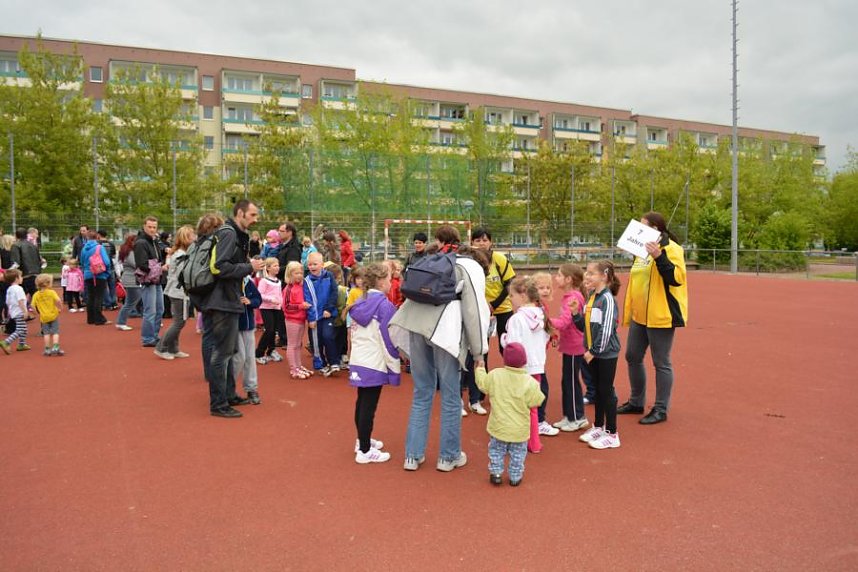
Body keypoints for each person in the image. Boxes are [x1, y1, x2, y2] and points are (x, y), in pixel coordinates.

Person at [390, 225, 491, 473]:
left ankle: (412, 456)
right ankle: (448, 456)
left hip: (415, 325)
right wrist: (479, 352)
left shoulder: (431, 258)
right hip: (445, 333)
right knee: (450, 394)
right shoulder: (471, 267)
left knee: (422, 392)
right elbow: (475, 311)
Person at [192, 203, 265, 418]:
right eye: (252, 215)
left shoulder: (234, 234)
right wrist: (249, 267)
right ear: (240, 213)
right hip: (221, 301)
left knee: (230, 351)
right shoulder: (228, 233)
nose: (255, 219)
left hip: (227, 299)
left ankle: (229, 394)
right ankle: (218, 403)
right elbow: (219, 267)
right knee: (222, 354)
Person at [618, 211, 689, 425]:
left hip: (661, 315)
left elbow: (676, 279)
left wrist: (659, 257)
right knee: (632, 356)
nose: (639, 229)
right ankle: (636, 401)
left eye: (643, 226)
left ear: (656, 229)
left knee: (661, 362)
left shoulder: (672, 249)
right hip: (640, 314)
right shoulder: (641, 252)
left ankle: (660, 408)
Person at [349, 263, 401, 464]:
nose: (391, 282)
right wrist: (394, 368)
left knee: (362, 401)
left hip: (360, 359)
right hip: (374, 362)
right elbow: (388, 341)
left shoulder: (360, 300)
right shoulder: (384, 306)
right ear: (380, 281)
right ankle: (364, 450)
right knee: (368, 406)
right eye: (389, 279)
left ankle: (362, 440)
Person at [462, 227, 516, 416]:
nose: (482, 243)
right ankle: (479, 393)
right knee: (479, 351)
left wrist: (494, 304)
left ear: (491, 242)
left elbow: (510, 284)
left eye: (485, 240)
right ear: (472, 242)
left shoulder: (499, 259)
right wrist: (484, 307)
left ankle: (511, 386)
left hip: (502, 310)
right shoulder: (470, 261)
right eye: (478, 240)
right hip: (479, 312)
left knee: (507, 349)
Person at [475, 342, 545, 486]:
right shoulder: (530, 382)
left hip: (498, 426)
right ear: (524, 360)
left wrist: (480, 370)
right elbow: (537, 400)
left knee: (496, 450)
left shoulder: (495, 375)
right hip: (519, 429)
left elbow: (482, 384)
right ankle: (515, 476)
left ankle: (496, 473)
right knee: (518, 454)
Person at [501, 276, 555, 454]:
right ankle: (534, 443)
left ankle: (515, 442)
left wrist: (503, 339)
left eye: (512, 295)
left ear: (523, 295)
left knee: (515, 407)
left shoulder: (517, 319)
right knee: (531, 408)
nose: (510, 298)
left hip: (519, 371)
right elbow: (546, 338)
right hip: (537, 367)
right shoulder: (542, 315)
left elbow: (513, 346)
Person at [574, 260, 623, 450]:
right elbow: (585, 326)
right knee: (598, 390)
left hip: (605, 353)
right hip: (593, 353)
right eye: (587, 273)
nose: (587, 276)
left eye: (591, 273)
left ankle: (612, 434)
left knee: (606, 391)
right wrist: (575, 315)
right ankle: (599, 426)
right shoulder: (592, 297)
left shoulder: (607, 299)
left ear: (604, 276)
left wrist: (593, 351)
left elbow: (607, 329)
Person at [549, 264, 591, 432]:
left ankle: (577, 417)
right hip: (569, 346)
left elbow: (565, 322)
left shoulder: (573, 297)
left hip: (574, 347)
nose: (556, 278)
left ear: (568, 279)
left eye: (559, 275)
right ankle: (569, 415)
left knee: (571, 382)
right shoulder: (569, 296)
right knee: (567, 381)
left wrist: (544, 320)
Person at [154, 225, 195, 360]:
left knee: (179, 321)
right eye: (191, 236)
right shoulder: (182, 255)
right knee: (179, 322)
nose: (194, 238)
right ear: (185, 239)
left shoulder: (177, 253)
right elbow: (184, 275)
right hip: (179, 292)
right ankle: (162, 347)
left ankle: (173, 348)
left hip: (177, 290)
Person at [304, 251, 341, 376]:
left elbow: (334, 293)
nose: (312, 267)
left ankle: (334, 362)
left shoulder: (329, 276)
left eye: (315, 264)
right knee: (316, 341)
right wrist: (311, 318)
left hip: (327, 315)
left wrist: (329, 309)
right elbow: (308, 300)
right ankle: (321, 363)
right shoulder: (307, 281)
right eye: (310, 264)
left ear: (322, 265)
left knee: (328, 336)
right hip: (315, 317)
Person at [134, 217, 166, 347]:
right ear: (144, 226)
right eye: (150, 227)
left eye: (154, 227)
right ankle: (147, 338)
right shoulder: (141, 243)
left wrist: (164, 251)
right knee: (150, 310)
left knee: (160, 309)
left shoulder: (154, 241)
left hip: (156, 279)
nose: (152, 229)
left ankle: (154, 335)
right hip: (148, 281)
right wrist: (160, 267)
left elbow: (157, 258)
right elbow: (142, 264)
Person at [232, 274, 263, 405]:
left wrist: (250, 302)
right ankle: (228, 388)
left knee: (250, 358)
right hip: (233, 326)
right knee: (239, 358)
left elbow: (258, 299)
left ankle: (251, 389)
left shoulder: (248, 281)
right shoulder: (228, 282)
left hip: (248, 325)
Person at [282, 261, 313, 379]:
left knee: (298, 344)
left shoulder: (301, 286)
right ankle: (293, 369)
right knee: (292, 344)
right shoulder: (288, 289)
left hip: (301, 319)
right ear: (290, 274)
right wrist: (301, 306)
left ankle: (298, 366)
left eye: (301, 273)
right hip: (292, 320)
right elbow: (286, 306)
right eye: (296, 273)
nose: (299, 275)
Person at [255, 257, 285, 365]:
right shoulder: (264, 281)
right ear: (268, 268)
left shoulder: (278, 281)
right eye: (275, 266)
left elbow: (279, 295)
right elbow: (260, 294)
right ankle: (258, 353)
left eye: (278, 265)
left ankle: (271, 351)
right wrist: (270, 299)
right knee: (269, 330)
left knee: (274, 330)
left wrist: (280, 303)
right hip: (266, 308)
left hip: (276, 308)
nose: (277, 268)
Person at [80, 230, 112, 326]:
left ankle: (91, 318)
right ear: (97, 237)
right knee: (99, 296)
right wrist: (107, 272)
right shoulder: (99, 247)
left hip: (87, 274)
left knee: (90, 296)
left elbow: (82, 261)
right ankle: (99, 319)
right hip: (99, 274)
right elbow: (106, 261)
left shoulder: (84, 248)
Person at [31, 273, 64, 356]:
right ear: (48, 283)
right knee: (55, 332)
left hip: (43, 317)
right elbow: (58, 301)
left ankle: (47, 349)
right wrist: (60, 308)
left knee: (46, 333)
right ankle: (56, 346)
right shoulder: (51, 292)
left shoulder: (36, 294)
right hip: (53, 315)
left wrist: (36, 312)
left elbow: (32, 305)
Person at [116, 234, 142, 330]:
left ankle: (121, 321)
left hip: (130, 278)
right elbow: (136, 264)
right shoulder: (130, 252)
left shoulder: (127, 251)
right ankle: (121, 322)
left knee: (131, 301)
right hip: (131, 279)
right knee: (131, 302)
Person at [1, 269, 30, 353]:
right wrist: (25, 311)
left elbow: (8, 302)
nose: (22, 278)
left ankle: (22, 344)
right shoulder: (18, 289)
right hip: (19, 311)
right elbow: (20, 301)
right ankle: (6, 342)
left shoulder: (10, 289)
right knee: (20, 329)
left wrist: (9, 312)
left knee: (23, 328)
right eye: (20, 276)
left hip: (14, 311)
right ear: (16, 278)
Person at [10, 228, 43, 301]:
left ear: (16, 236)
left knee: (17, 298)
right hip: (35, 273)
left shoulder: (16, 245)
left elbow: (16, 263)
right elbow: (39, 260)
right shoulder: (33, 245)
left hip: (23, 275)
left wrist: (11, 272)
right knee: (35, 297)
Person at [96, 229, 118, 310]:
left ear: (98, 235)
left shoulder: (97, 244)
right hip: (111, 267)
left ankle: (107, 303)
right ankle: (114, 302)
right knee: (112, 286)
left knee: (104, 286)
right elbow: (114, 256)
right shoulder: (111, 244)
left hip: (101, 268)